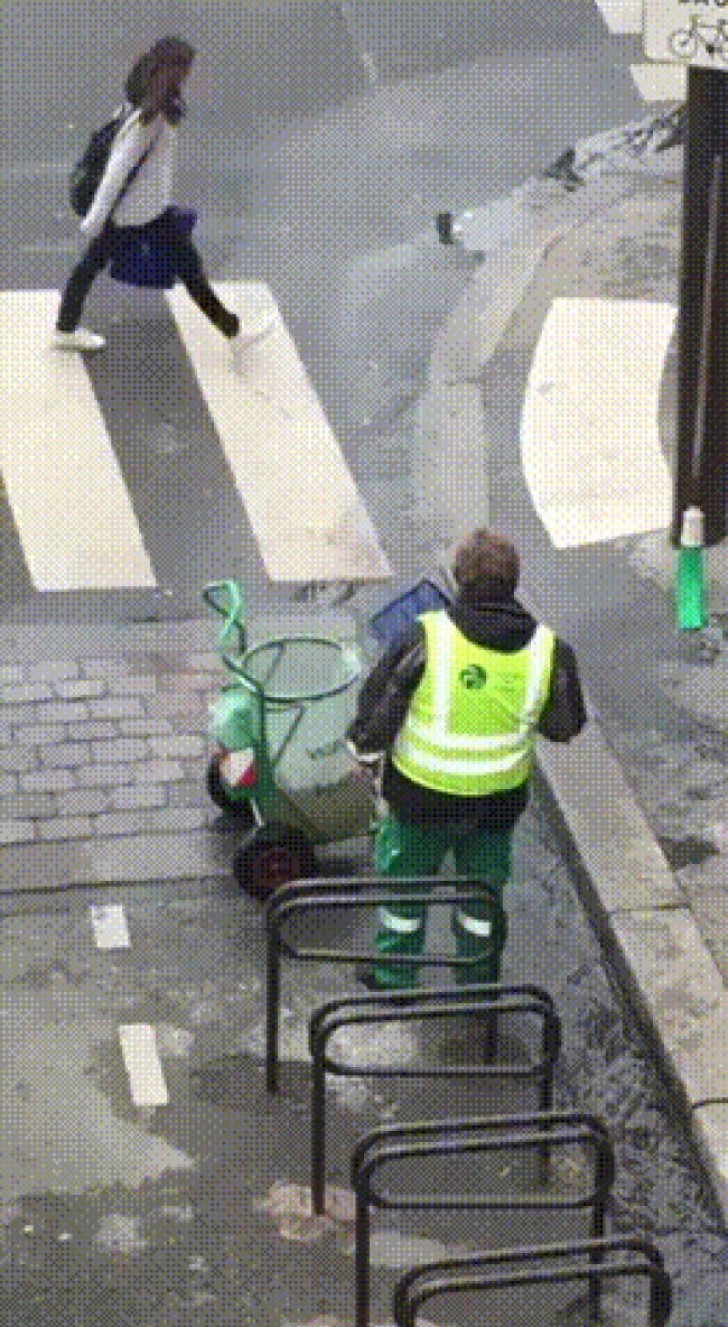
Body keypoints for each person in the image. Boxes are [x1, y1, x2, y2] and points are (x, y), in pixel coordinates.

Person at [346, 528, 587, 998]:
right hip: (496, 807)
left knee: (405, 895)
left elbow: (379, 707)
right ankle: (477, 985)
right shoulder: (548, 651)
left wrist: (364, 753)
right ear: (514, 582)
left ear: (459, 580)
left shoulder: (427, 636)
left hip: (420, 800)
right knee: (481, 900)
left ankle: (395, 980)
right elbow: (565, 726)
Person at [54, 37, 271, 360]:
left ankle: (65, 328)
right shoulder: (151, 118)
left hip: (140, 212)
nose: (190, 78)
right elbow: (118, 169)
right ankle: (233, 332)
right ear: (174, 71)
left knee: (91, 266)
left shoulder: (141, 97)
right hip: (141, 215)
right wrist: (95, 220)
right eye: (187, 72)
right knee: (189, 269)